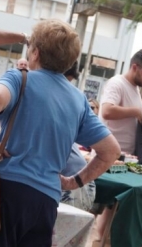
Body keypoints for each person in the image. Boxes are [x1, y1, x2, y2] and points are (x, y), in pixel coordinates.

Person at [0, 19, 121, 246]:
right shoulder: (78, 100)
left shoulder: (20, 79)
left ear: (35, 53)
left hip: (2, 191)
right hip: (45, 201)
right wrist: (75, 182)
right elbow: (111, 151)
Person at [94, 49, 142, 241]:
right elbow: (107, 111)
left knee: (112, 206)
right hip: (109, 155)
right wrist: (136, 111)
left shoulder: (135, 89)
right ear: (135, 67)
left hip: (125, 157)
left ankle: (103, 241)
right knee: (98, 205)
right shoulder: (117, 83)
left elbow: (132, 115)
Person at [60, 61, 96, 212]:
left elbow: (111, 150)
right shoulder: (75, 98)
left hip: (71, 186)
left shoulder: (71, 98)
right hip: (79, 184)